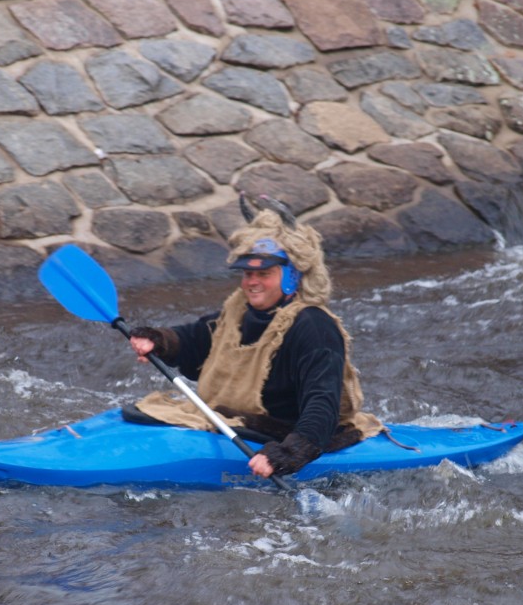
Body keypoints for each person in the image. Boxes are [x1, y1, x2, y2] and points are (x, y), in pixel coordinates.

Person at [129, 194, 382, 480]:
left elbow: (322, 404)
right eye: (247, 273)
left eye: (264, 273)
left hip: (292, 434)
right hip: (245, 423)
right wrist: (158, 341)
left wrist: (287, 455)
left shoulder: (315, 327)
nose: (252, 282)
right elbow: (197, 339)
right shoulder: (239, 312)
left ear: (292, 276)